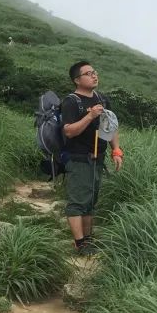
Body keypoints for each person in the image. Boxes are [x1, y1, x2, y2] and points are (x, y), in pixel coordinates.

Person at [60, 61, 123, 255]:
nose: (94, 75)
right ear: (77, 80)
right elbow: (69, 131)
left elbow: (110, 127)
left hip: (98, 156)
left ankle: (87, 240)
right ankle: (79, 244)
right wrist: (89, 116)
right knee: (78, 201)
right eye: (88, 73)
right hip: (78, 158)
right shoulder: (71, 101)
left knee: (90, 200)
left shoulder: (101, 99)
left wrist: (116, 150)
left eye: (94, 72)